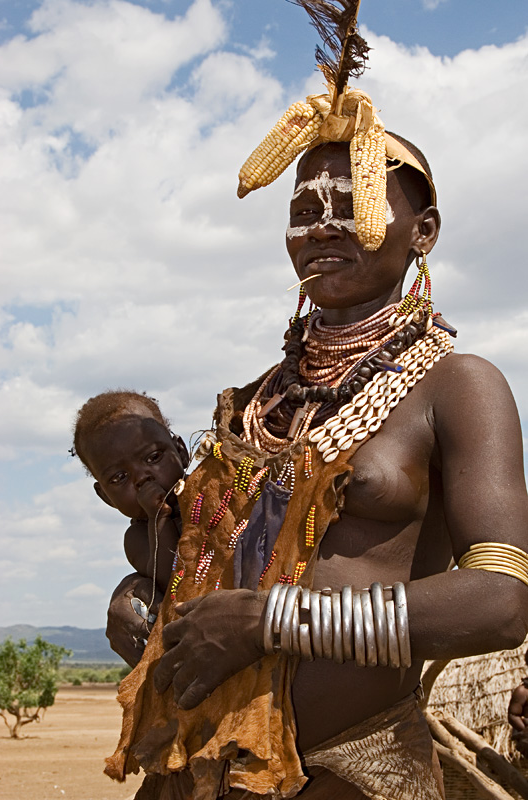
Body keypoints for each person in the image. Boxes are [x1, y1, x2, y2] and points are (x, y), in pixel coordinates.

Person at [103, 6, 528, 800]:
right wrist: (145, 604)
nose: (321, 226)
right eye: (302, 211)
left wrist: (270, 623)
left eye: (352, 203)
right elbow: (205, 568)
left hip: (351, 771)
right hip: (196, 769)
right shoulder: (256, 400)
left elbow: (500, 600)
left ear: (422, 230)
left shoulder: (457, 385)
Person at [73, 390, 188, 603]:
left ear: (181, 452)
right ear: (106, 497)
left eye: (153, 457)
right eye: (120, 477)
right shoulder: (138, 538)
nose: (142, 477)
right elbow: (170, 581)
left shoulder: (218, 489)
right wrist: (158, 518)